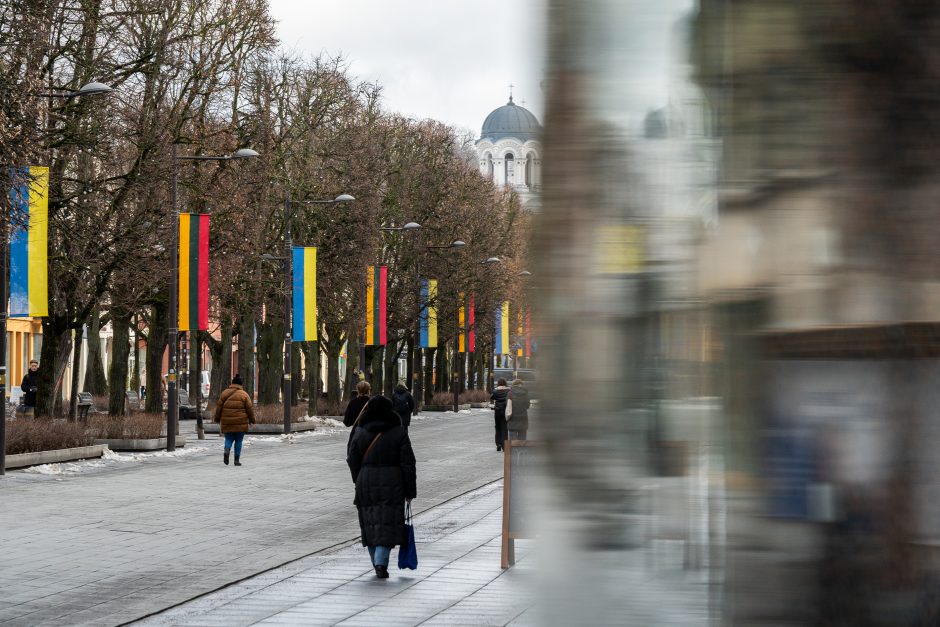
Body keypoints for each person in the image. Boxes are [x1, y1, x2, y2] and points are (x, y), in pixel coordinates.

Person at [346, 395, 417, 579]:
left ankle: (376, 561)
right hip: (393, 483)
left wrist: (358, 479)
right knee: (388, 522)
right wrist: (410, 491)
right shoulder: (398, 432)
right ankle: (380, 562)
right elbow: (408, 463)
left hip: (366, 481)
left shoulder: (360, 431)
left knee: (370, 523)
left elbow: (352, 459)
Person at [213, 374, 255, 466]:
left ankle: (227, 450)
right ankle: (236, 460)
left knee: (228, 438)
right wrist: (252, 420)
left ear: (232, 383)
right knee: (239, 441)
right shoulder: (244, 395)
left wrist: (217, 419)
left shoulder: (225, 393)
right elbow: (250, 409)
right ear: (241, 384)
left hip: (227, 421)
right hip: (241, 422)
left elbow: (219, 407)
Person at [490, 378, 511, 451]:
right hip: (505, 411)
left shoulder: (495, 391)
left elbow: (492, 397)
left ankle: (498, 443)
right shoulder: (508, 391)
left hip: (497, 411)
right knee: (505, 428)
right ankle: (504, 445)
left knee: (498, 427)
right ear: (505, 383)